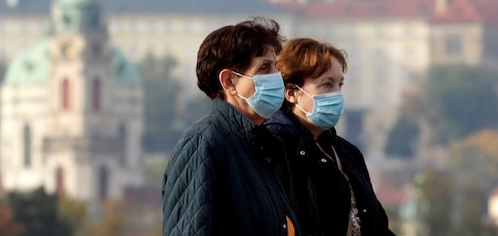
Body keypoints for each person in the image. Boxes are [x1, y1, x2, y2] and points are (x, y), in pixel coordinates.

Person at [162, 17, 298, 236]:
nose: (277, 78)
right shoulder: (203, 144)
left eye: (276, 67)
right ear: (228, 82)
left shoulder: (261, 146)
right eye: (264, 68)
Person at [264, 37, 396, 236]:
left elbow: (377, 224)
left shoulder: (347, 152)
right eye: (327, 84)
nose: (337, 94)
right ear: (291, 92)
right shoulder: (274, 148)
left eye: (339, 84)